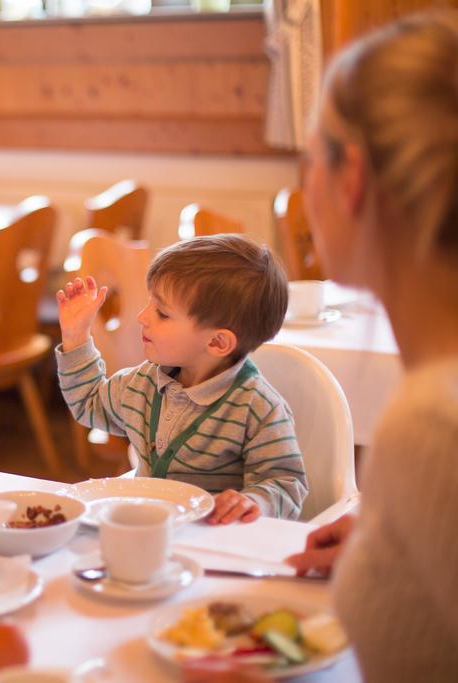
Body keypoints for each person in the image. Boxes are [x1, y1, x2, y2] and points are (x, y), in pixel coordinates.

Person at [188, 10, 458, 683]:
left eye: (309, 157)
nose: (301, 185)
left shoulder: (431, 421)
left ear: (352, 178)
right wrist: (389, 537)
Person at [56, 235, 307, 523]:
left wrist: (254, 501)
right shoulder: (144, 383)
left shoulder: (258, 407)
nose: (142, 316)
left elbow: (286, 484)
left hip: (215, 540)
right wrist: (76, 337)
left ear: (216, 343)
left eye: (162, 313)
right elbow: (90, 403)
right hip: (150, 531)